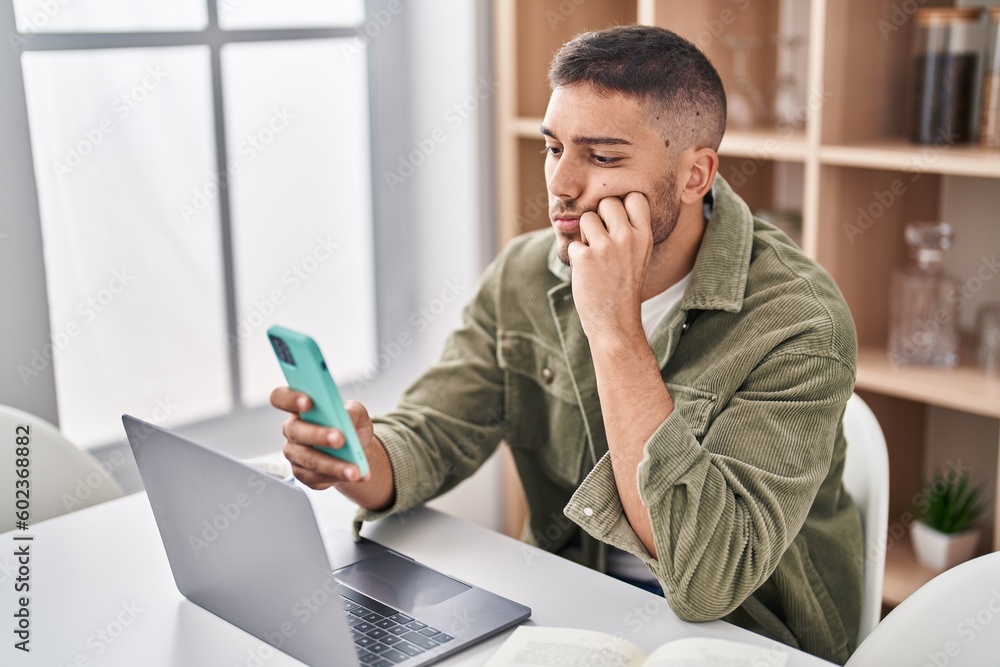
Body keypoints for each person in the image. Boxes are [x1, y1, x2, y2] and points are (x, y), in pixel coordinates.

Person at [272, 25, 862, 664]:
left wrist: (614, 329)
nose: (561, 183)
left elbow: (709, 579)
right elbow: (437, 431)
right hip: (569, 613)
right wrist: (362, 461)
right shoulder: (525, 273)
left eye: (602, 157)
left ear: (695, 176)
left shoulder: (802, 325)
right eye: (554, 147)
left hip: (746, 641)